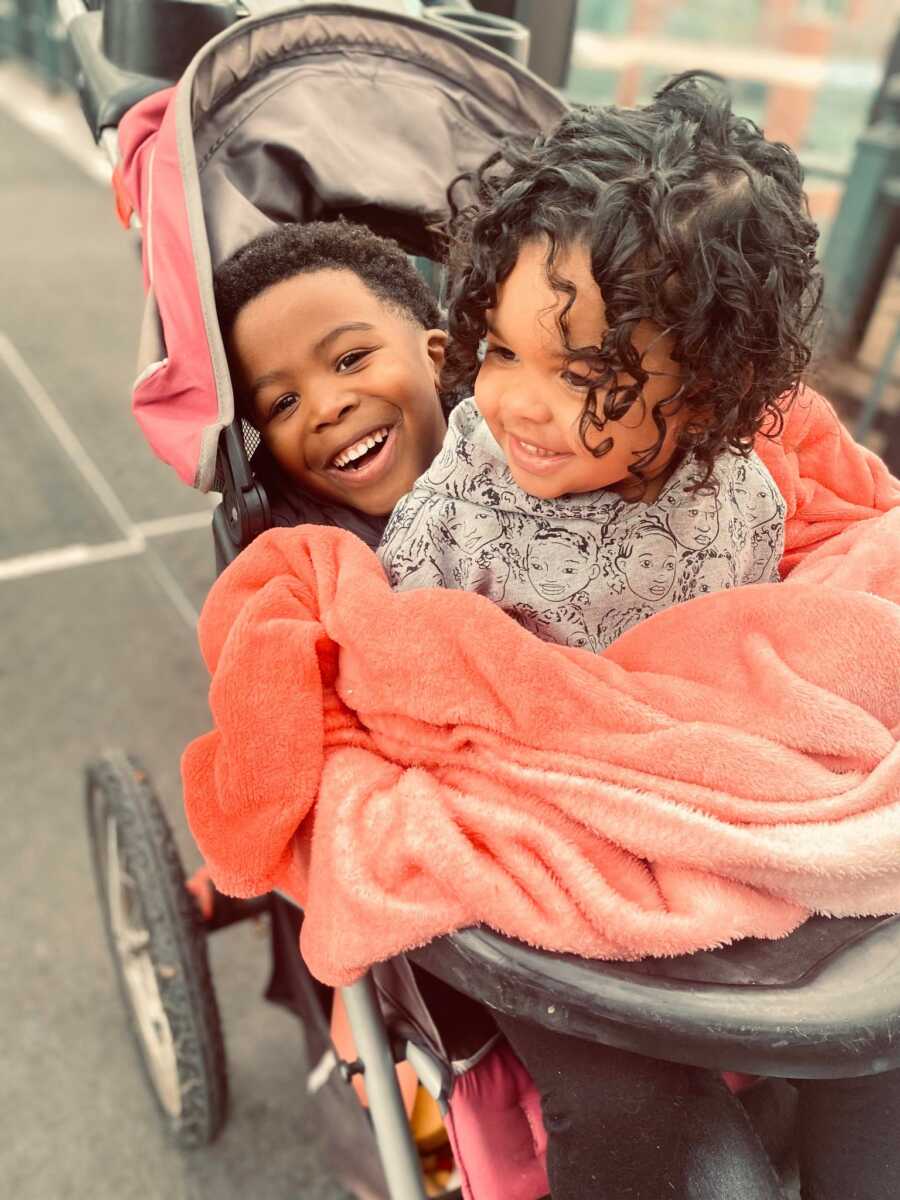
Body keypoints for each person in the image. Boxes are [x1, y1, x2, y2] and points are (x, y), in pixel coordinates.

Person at [376, 71, 900, 1200]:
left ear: (708, 393)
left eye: (585, 377)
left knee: (879, 1054)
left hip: (716, 812)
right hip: (557, 862)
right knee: (637, 1110)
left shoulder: (743, 491)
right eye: (502, 353)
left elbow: (756, 649)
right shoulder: (473, 491)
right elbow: (414, 665)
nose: (517, 403)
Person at [212, 218, 449, 549]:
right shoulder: (293, 562)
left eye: (351, 359)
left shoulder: (522, 443)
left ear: (434, 357)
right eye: (284, 403)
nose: (326, 408)